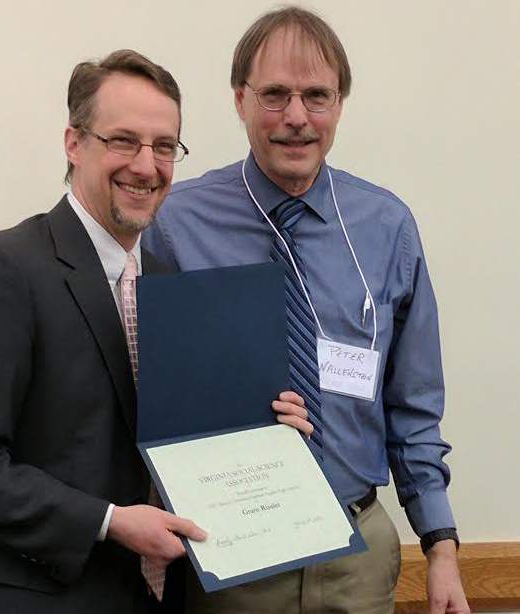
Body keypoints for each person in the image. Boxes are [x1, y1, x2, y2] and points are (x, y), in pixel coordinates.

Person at [0, 49, 311, 614]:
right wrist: (108, 522)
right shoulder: (1, 270)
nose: (146, 166)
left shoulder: (171, 285)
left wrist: (264, 429)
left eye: (164, 146)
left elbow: (180, 438)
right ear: (74, 144)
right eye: (123, 140)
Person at [143, 7, 469, 614]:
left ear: (339, 104)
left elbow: (413, 407)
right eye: (274, 95)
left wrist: (441, 546)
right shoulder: (175, 226)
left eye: (316, 96)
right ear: (239, 100)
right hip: (231, 554)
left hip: (359, 555)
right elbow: (151, 397)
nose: (296, 117)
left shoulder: (387, 228)